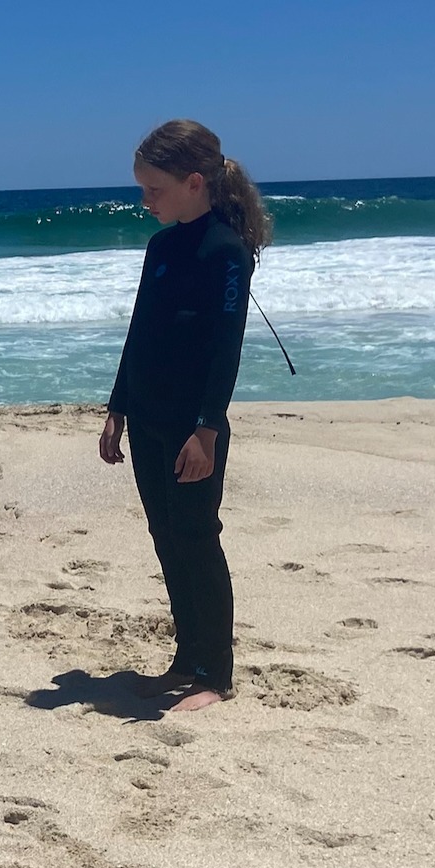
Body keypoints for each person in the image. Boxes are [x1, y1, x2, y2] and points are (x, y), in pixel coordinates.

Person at [99, 120, 273, 713]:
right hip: (146, 413)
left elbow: (226, 348)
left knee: (197, 538)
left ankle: (214, 673)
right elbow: (140, 331)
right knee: (165, 537)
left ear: (194, 182)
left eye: (155, 190)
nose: (145, 201)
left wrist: (206, 429)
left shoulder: (225, 249)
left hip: (192, 424)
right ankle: (186, 657)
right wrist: (117, 409)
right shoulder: (161, 247)